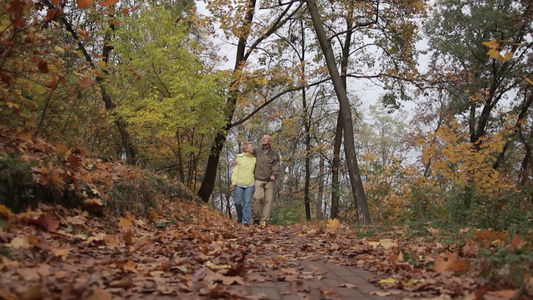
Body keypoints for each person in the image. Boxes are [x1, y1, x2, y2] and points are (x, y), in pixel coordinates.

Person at [252, 135, 280, 227]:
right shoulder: (256, 151)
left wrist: (274, 175)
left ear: (270, 141)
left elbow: (276, 165)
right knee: (258, 198)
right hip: (258, 179)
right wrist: (238, 160)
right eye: (262, 138)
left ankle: (264, 220)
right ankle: (256, 217)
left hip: (269, 180)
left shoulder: (274, 154)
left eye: (266, 138)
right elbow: (246, 155)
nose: (263, 139)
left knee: (268, 201)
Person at [230, 142, 256, 225]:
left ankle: (246, 222)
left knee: (247, 203)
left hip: (250, 184)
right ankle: (240, 219)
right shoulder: (239, 158)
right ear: (246, 148)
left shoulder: (254, 159)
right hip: (239, 184)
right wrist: (233, 183)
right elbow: (236, 171)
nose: (253, 148)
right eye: (251, 146)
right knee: (237, 202)